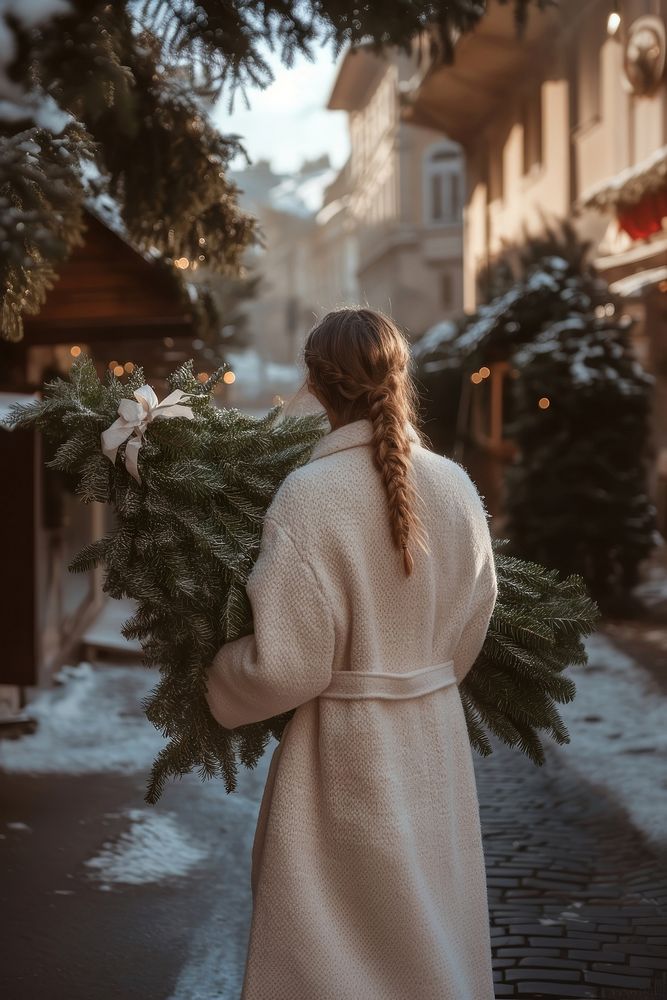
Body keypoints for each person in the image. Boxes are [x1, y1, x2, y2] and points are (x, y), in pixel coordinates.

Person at [205, 307, 498, 1000]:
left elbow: (289, 665)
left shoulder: (308, 495)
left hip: (343, 763)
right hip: (432, 746)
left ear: (315, 384)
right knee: (429, 946)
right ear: (398, 377)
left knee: (334, 961)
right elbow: (472, 623)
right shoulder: (456, 486)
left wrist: (218, 676)